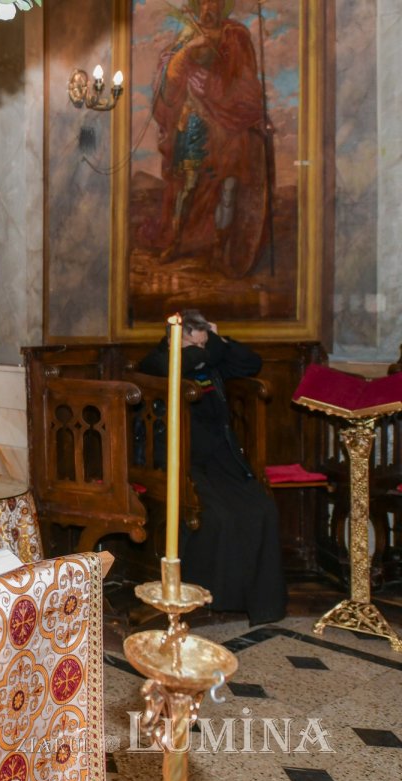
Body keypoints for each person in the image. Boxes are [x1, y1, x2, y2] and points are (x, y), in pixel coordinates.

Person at [138, 308, 286, 625]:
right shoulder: (157, 360)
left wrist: (221, 342)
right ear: (177, 337)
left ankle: (260, 604)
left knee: (262, 509)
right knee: (217, 515)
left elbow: (251, 363)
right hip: (180, 460)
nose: (202, 348)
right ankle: (206, 596)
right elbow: (180, 365)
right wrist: (202, 351)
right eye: (196, 340)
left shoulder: (211, 354)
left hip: (221, 458)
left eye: (206, 340)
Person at [146, 0, 270, 276]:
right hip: (195, 121)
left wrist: (218, 86)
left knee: (227, 187)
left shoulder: (235, 36)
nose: (208, 8)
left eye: (214, 3)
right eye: (203, 3)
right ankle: (176, 242)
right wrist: (188, 50)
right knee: (187, 185)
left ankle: (219, 248)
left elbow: (245, 82)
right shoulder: (188, 34)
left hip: (228, 127)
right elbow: (172, 75)